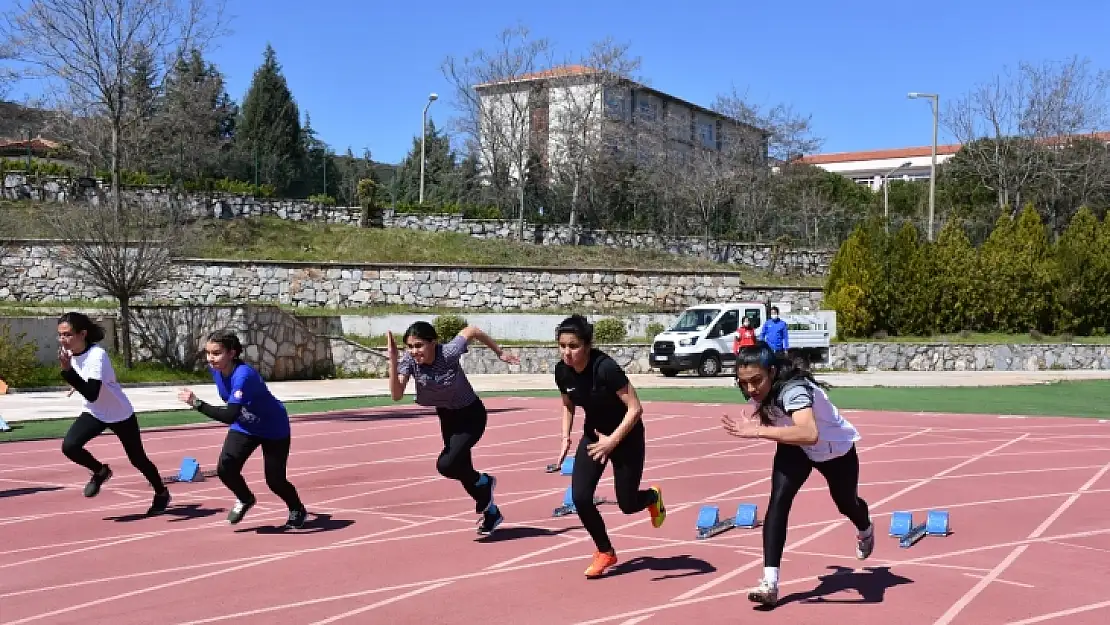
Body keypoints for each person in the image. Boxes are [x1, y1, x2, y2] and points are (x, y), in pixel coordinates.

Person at [721, 340, 874, 607]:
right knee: (778, 501)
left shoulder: (794, 391)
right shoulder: (762, 390)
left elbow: (809, 433)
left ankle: (865, 527)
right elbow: (791, 430)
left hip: (833, 450)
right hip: (796, 449)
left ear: (771, 372)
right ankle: (770, 582)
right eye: (743, 383)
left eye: (756, 380)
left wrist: (756, 430)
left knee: (846, 503)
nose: (750, 389)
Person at [553, 314, 666, 579]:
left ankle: (652, 497)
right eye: (562, 346)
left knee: (627, 505)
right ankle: (605, 551)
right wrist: (565, 438)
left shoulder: (605, 369)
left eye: (573, 346)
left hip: (627, 438)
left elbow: (636, 408)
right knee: (580, 498)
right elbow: (568, 403)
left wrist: (612, 441)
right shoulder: (561, 370)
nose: (567, 352)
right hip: (594, 438)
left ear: (587, 345)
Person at [387, 322, 519, 535]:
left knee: (447, 464)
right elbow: (396, 394)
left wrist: (499, 352)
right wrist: (394, 361)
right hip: (447, 417)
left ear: (433, 343)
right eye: (410, 347)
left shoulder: (448, 352)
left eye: (419, 346)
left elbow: (474, 330)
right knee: (461, 468)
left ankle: (484, 481)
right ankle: (491, 512)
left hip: (471, 414)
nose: (414, 351)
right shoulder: (410, 362)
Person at [177, 331, 307, 529]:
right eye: (208, 353)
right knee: (225, 469)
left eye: (216, 353)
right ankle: (245, 498)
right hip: (245, 424)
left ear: (232, 353)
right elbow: (234, 413)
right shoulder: (217, 370)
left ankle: (297, 508)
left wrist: (196, 403)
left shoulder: (243, 376)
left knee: (275, 481)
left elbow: (229, 415)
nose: (211, 359)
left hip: (273, 427)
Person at [56, 312, 170, 515]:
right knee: (70, 446)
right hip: (95, 413)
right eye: (60, 335)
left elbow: (92, 392)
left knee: (138, 459)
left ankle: (161, 493)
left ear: (82, 334)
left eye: (67, 335)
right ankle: (101, 471)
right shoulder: (71, 354)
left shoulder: (97, 355)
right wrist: (74, 379)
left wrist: (68, 373)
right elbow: (88, 390)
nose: (63, 340)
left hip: (119, 413)